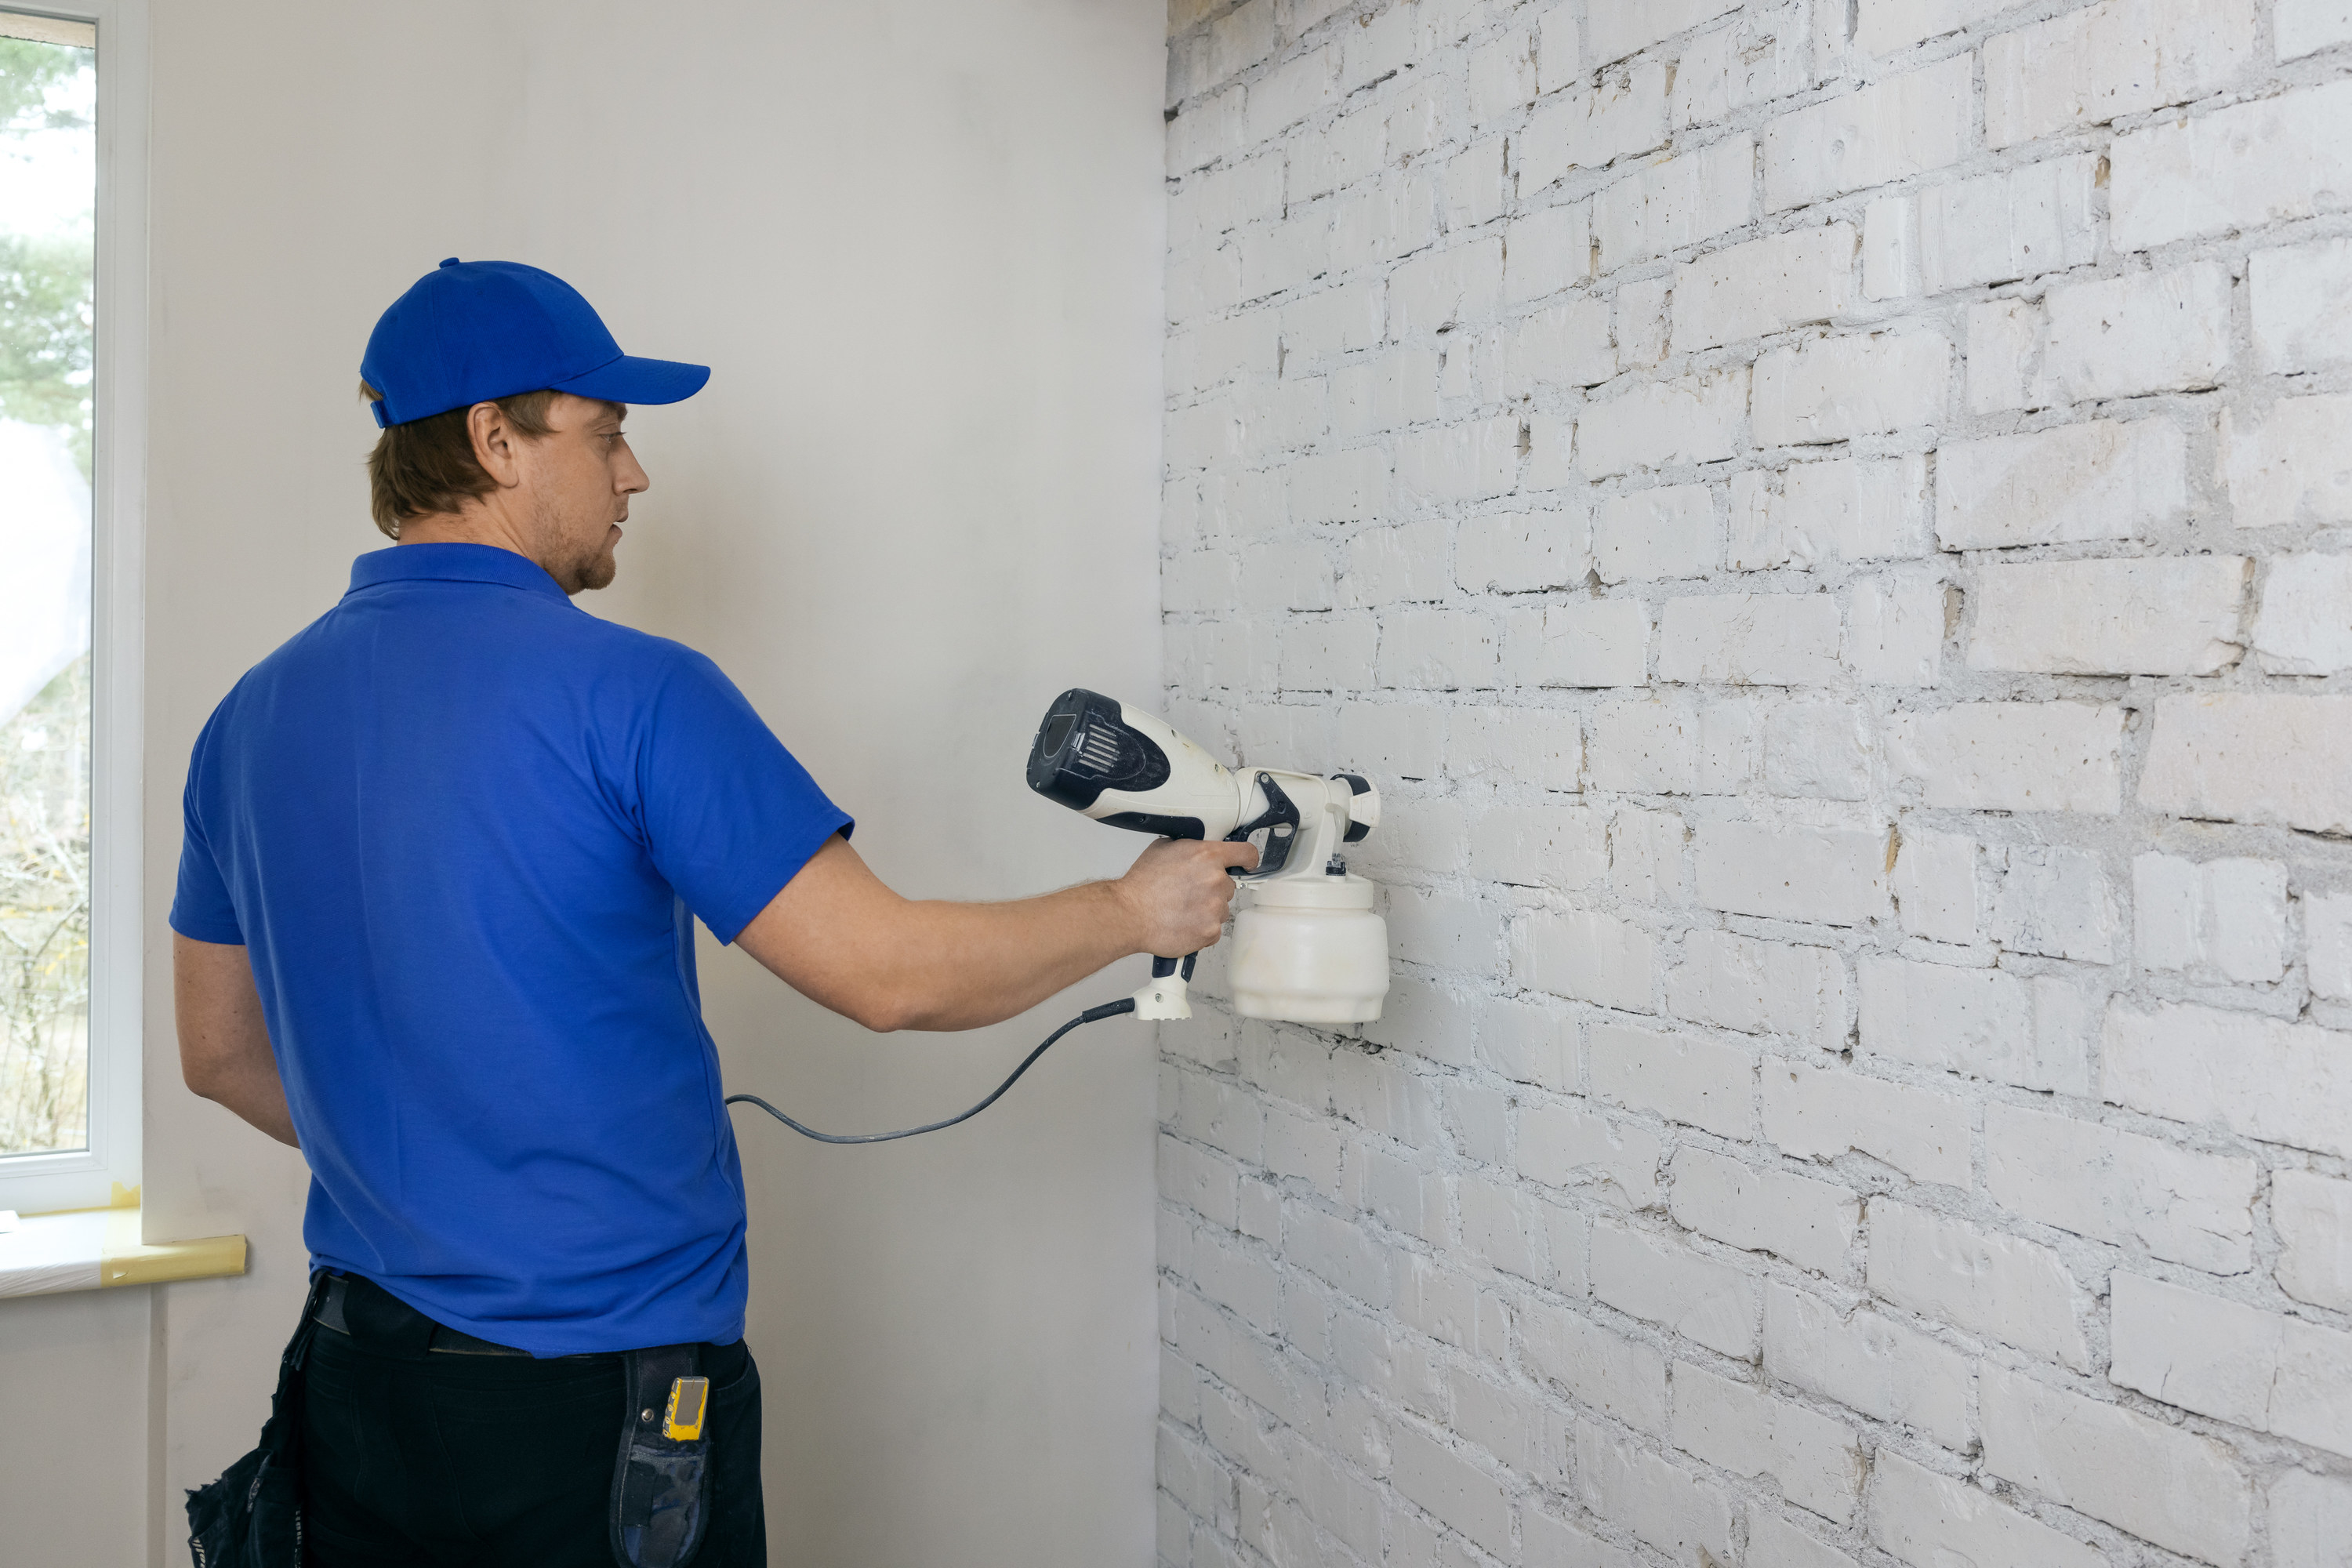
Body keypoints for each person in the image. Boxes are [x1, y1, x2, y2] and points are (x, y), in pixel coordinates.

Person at [169, 257, 1249, 1566]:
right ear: (494, 441)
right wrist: (1133, 907)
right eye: (607, 433)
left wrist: (442, 1162)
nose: (634, 476)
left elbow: (220, 1054)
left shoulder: (249, 716)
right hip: (596, 1396)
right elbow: (887, 975)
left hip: (360, 1381)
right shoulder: (635, 694)